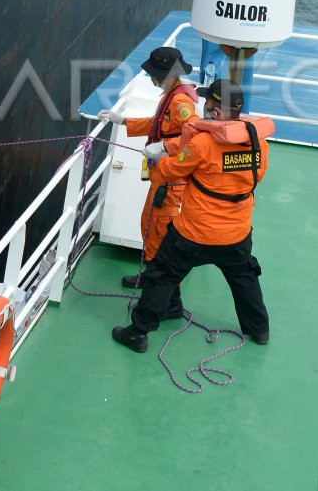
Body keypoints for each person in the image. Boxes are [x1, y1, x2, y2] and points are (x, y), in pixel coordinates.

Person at [111, 80, 274, 353]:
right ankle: (259, 330)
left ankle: (138, 332)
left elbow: (173, 171)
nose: (204, 105)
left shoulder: (202, 144)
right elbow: (258, 175)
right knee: (245, 278)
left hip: (194, 232)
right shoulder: (260, 145)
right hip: (236, 233)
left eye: (208, 101)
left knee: (161, 275)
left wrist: (158, 157)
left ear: (214, 109)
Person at [101, 46, 199, 288]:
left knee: (159, 227)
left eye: (156, 74)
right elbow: (158, 125)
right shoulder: (170, 95)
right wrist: (124, 121)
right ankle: (153, 276)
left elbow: (195, 137)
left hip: (171, 178)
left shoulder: (180, 102)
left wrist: (164, 147)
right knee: (150, 222)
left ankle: (162, 285)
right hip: (162, 174)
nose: (153, 79)